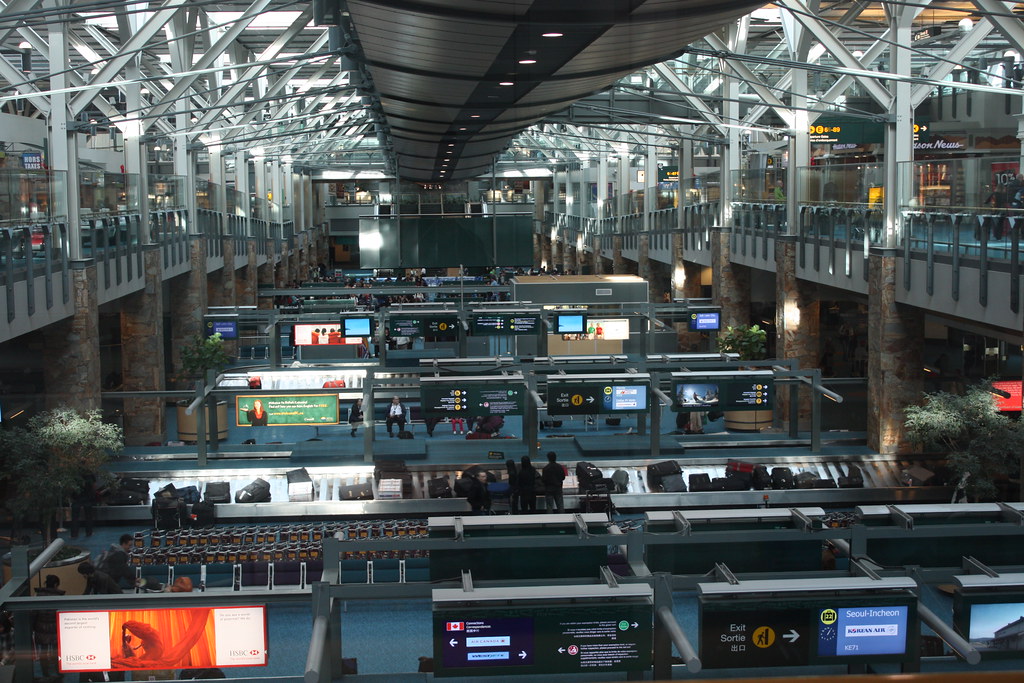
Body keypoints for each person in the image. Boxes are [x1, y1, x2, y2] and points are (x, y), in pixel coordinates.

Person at [32, 574, 64, 678]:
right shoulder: (59, 597)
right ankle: (58, 672)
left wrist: (33, 627)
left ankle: (45, 673)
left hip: (41, 629)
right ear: (55, 585)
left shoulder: (38, 596)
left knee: (43, 652)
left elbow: (34, 614)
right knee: (56, 652)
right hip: (55, 630)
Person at [69, 471, 98, 538]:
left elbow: (71, 487)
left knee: (75, 517)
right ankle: (89, 532)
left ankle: (74, 534)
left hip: (77, 498)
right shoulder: (90, 474)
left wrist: (71, 496)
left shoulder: (74, 474)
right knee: (88, 516)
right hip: (87, 497)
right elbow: (94, 486)